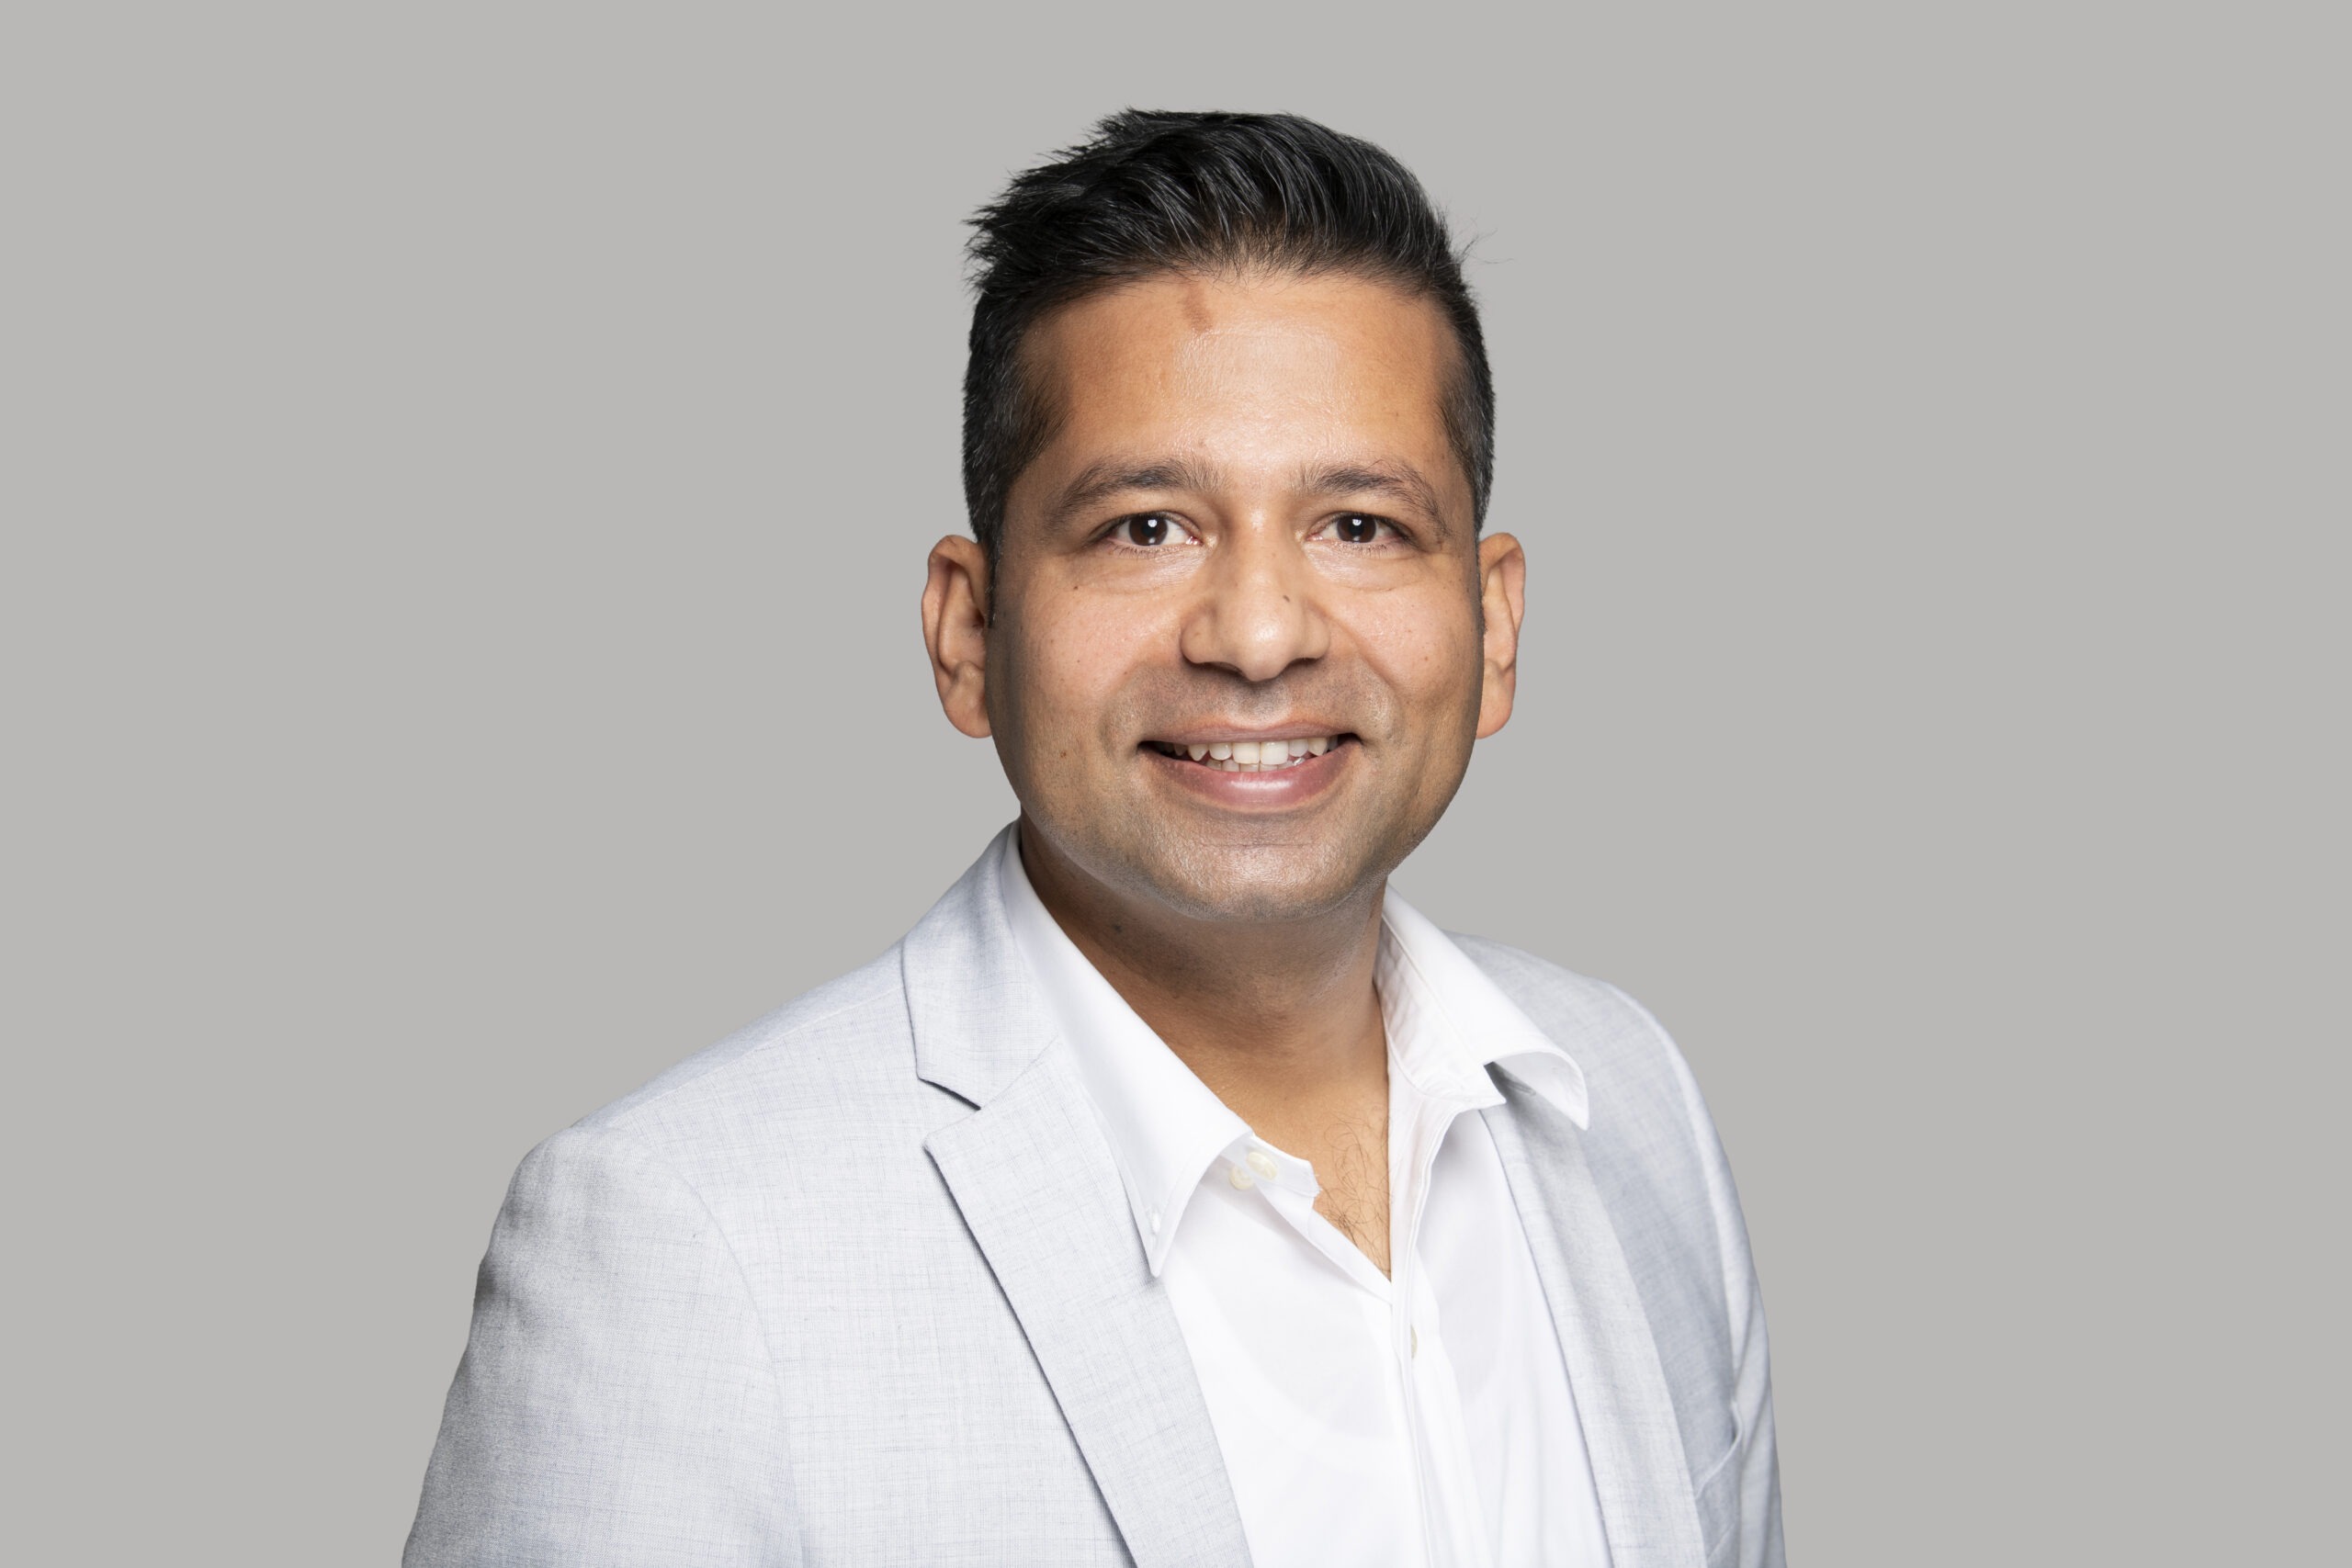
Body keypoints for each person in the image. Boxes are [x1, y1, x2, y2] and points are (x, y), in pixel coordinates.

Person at [405, 109, 1782, 1568]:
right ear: (969, 631)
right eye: (1146, 527)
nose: (1260, 635)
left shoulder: (1633, 1105)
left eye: (1360, 527)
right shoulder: (679, 1252)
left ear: (1494, 628)